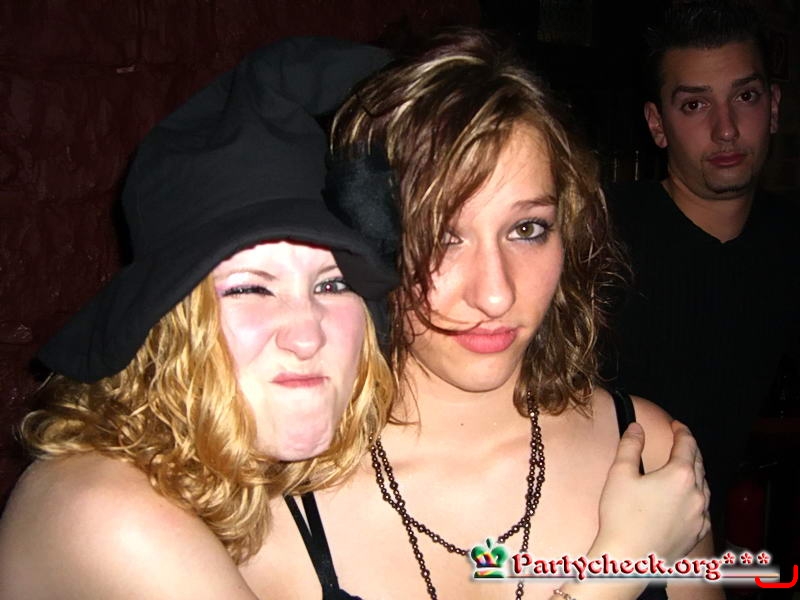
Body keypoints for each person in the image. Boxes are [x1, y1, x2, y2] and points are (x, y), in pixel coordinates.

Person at [252, 29, 720, 600]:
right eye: (443, 237)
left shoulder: (654, 455)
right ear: (367, 240)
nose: (496, 295)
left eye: (527, 229)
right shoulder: (266, 503)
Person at [0, 38, 399, 599]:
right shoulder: (110, 515)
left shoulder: (234, 469)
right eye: (250, 288)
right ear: (169, 324)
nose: (307, 335)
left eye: (331, 284)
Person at [600, 0, 800, 548]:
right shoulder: (597, 234)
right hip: (579, 539)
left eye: (745, 97)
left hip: (697, 542)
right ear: (657, 125)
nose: (726, 129)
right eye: (694, 105)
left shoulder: (787, 240)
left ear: (773, 107)